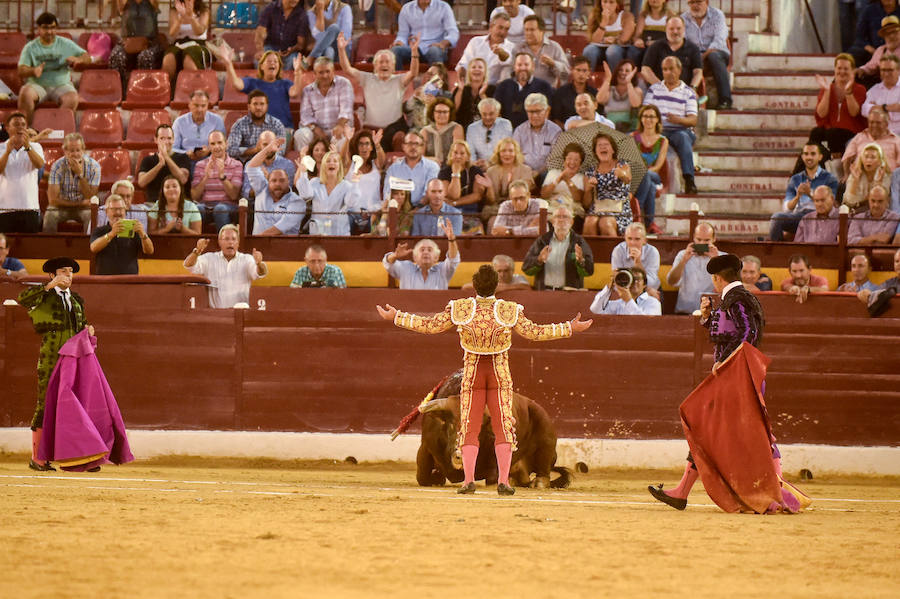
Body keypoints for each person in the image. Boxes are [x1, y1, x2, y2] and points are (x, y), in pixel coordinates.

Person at [376, 264, 593, 495]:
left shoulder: (461, 308)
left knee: (468, 429)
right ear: (496, 286)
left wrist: (397, 316)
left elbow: (430, 326)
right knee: (503, 430)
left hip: (473, 374)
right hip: (499, 375)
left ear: (474, 286)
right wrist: (569, 327)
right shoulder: (509, 310)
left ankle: (468, 480)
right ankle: (503, 481)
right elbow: (535, 332)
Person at [648, 254, 795, 513]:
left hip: (737, 377)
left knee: (722, 429)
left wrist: (726, 362)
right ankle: (683, 491)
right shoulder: (736, 299)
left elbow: (749, 333)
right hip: (737, 376)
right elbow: (733, 331)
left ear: (717, 278)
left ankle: (777, 491)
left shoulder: (738, 299)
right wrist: (708, 318)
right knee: (721, 430)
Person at [17, 256, 92, 470]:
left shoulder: (76, 300)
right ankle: (38, 458)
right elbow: (23, 298)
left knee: (75, 404)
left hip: (73, 358)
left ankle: (79, 456)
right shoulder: (45, 295)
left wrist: (88, 329)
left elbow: (81, 325)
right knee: (46, 404)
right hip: (51, 356)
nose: (68, 275)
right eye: (62, 271)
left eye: (70, 271)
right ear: (52, 275)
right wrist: (49, 286)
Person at [336, 33, 417, 153]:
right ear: (375, 66)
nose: (384, 65)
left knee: (400, 138)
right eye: (381, 62)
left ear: (393, 66)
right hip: (371, 129)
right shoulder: (367, 78)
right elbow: (347, 69)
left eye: (387, 62)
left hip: (394, 129)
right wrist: (341, 49)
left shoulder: (399, 80)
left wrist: (414, 52)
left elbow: (413, 73)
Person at [18, 12, 93, 122]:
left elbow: (88, 58)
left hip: (61, 84)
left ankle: (56, 131)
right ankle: (29, 132)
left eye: (52, 28)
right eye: (45, 28)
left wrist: (79, 60)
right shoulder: (30, 47)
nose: (49, 32)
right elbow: (21, 71)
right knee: (25, 94)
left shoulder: (65, 43)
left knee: (72, 98)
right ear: (38, 29)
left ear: (56, 28)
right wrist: (33, 71)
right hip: (37, 85)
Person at [643, 55, 699, 194]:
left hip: (680, 130)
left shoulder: (688, 93)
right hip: (658, 131)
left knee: (682, 136)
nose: (668, 72)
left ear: (679, 70)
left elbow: (693, 120)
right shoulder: (654, 89)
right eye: (665, 69)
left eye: (671, 69)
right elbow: (645, 111)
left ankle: (689, 179)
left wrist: (678, 120)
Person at [184, 224, 267, 308]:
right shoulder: (209, 258)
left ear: (238, 243)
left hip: (240, 314)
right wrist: (197, 251)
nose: (230, 242)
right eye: (226, 239)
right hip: (215, 314)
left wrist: (259, 264)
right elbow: (189, 265)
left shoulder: (247, 259)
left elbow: (261, 273)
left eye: (234, 239)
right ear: (219, 242)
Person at [769, 143, 839, 240]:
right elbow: (787, 208)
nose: (809, 157)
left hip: (819, 215)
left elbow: (832, 204)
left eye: (813, 154)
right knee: (776, 218)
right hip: (799, 216)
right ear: (802, 157)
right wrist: (797, 197)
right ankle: (776, 253)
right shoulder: (795, 179)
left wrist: (810, 194)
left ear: (820, 157)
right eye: (806, 154)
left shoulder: (830, 178)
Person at [222, 51, 303, 133]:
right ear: (261, 66)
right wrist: (228, 64)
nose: (272, 63)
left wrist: (297, 72)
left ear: (279, 67)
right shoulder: (252, 82)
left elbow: (294, 92)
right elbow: (237, 84)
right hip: (259, 131)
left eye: (275, 61)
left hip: (283, 129)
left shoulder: (285, 83)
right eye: (268, 61)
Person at [522, 205, 594, 290]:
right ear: (552, 221)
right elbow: (526, 269)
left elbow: (589, 271)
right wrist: (539, 260)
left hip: (569, 293)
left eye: (565, 217)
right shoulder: (542, 241)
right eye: (558, 217)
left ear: (571, 222)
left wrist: (581, 261)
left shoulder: (579, 242)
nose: (561, 220)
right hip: (544, 292)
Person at [247, 136, 306, 235]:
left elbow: (279, 229)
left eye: (282, 180)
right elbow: (251, 167)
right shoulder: (262, 189)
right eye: (274, 180)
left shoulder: (298, 202)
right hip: (258, 249)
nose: (278, 184)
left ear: (288, 182)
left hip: (284, 248)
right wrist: (267, 150)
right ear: (268, 182)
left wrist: (255, 241)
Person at [811, 53, 866, 156]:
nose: (842, 72)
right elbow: (821, 114)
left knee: (833, 134)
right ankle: (805, 169)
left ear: (852, 71)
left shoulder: (859, 89)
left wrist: (848, 92)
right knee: (816, 133)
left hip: (851, 132)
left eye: (846, 69)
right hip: (831, 131)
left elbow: (854, 112)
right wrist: (827, 91)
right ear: (835, 69)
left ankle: (836, 166)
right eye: (839, 68)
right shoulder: (828, 87)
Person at [43, 133, 101, 233]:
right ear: (65, 151)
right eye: (71, 151)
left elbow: (91, 199)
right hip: (62, 207)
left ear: (83, 150)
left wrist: (80, 175)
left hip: (84, 209)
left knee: (91, 216)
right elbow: (52, 201)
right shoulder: (57, 166)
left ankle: (89, 247)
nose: (75, 154)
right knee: (50, 214)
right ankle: (50, 247)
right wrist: (79, 203)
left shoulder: (94, 166)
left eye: (78, 150)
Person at [296, 57, 354, 150]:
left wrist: (340, 125)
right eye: (321, 72)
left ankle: (339, 164)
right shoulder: (307, 90)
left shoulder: (344, 83)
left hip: (338, 126)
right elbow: (305, 117)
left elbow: (346, 110)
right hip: (316, 129)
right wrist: (315, 129)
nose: (325, 75)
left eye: (328, 71)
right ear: (314, 74)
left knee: (342, 137)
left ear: (333, 71)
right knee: (301, 134)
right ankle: (304, 163)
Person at [295, 148, 358, 235]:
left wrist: (355, 183)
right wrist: (303, 173)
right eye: (328, 161)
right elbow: (305, 195)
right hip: (318, 234)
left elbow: (351, 203)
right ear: (323, 166)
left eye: (335, 161)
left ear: (339, 166)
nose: (331, 163)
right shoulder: (314, 182)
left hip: (339, 233)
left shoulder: (347, 185)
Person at [682, 0, 731, 109]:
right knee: (682, 59)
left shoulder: (717, 15)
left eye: (699, 2)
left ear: (707, 2)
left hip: (716, 52)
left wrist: (702, 57)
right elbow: (683, 42)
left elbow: (719, 40)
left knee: (714, 57)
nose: (695, 6)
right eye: (692, 2)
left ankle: (725, 100)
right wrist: (695, 56)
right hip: (694, 54)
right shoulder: (684, 18)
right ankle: (686, 100)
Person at [0, 111, 44, 233]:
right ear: (8, 128)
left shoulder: (35, 147)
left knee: (31, 249)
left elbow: (39, 164)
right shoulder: (1, 148)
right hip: (4, 210)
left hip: (29, 208)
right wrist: (7, 152)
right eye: (16, 124)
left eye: (23, 124)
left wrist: (27, 147)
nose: (20, 127)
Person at [191, 130, 243, 231]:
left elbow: (234, 195)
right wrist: (206, 177)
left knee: (220, 209)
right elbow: (195, 196)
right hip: (206, 205)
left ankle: (225, 243)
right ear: (209, 146)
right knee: (196, 209)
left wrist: (222, 176)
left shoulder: (236, 165)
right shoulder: (200, 165)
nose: (216, 147)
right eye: (213, 144)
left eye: (219, 143)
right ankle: (197, 244)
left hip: (228, 206)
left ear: (226, 144)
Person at [89, 194, 154, 274]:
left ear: (125, 211)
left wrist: (142, 233)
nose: (118, 212)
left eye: (121, 209)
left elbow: (149, 251)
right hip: (105, 281)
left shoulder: (134, 230)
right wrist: (112, 234)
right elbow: (93, 248)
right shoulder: (99, 231)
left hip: (130, 281)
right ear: (107, 211)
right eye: (114, 209)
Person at [584, 131, 633, 236]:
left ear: (613, 150)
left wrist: (622, 174)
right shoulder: (590, 171)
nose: (603, 147)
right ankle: (591, 252)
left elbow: (628, 179)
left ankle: (614, 252)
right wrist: (588, 189)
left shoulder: (622, 165)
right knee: (589, 222)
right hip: (598, 208)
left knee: (605, 223)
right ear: (595, 151)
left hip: (619, 210)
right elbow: (586, 203)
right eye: (599, 145)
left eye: (606, 145)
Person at [382, 224, 460, 290]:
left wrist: (451, 240)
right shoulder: (406, 268)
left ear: (436, 257)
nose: (425, 252)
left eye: (430, 250)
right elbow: (388, 263)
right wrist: (395, 256)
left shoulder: (443, 270)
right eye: (422, 250)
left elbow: (453, 260)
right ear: (415, 257)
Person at [108, 1, 164, 89]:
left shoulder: (152, 2)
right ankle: (120, 90)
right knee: (116, 56)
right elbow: (120, 8)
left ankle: (144, 89)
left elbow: (156, 5)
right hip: (128, 42)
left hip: (149, 42)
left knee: (145, 57)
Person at [667, 221, 718, 313]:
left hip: (711, 312)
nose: (702, 243)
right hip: (684, 311)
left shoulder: (722, 257)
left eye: (706, 240)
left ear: (714, 239)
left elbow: (727, 286)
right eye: (698, 239)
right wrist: (683, 261)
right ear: (694, 238)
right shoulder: (683, 254)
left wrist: (717, 261)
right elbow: (671, 281)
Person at [640, 15, 703, 91]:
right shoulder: (655, 47)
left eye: (678, 28)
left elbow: (698, 72)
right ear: (666, 29)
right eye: (671, 29)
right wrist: (661, 87)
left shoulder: (693, 48)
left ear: (684, 29)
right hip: (659, 92)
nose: (675, 32)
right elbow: (645, 69)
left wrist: (692, 88)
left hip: (684, 92)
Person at [494, 53, 556, 129]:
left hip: (534, 132)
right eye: (519, 65)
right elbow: (496, 112)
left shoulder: (544, 86)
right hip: (508, 132)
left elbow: (547, 112)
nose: (523, 68)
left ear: (533, 66)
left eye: (526, 65)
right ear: (514, 67)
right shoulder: (503, 86)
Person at [438, 140, 487, 234]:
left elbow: (477, 196)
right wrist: (456, 173)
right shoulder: (445, 171)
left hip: (471, 211)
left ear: (468, 156)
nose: (458, 156)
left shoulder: (475, 171)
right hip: (450, 211)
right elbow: (453, 195)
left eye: (462, 153)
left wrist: (455, 203)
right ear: (451, 155)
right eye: (455, 153)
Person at [226, 90, 289, 163]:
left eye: (262, 104)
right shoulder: (239, 124)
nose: (258, 107)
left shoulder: (277, 124)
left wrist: (264, 155)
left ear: (267, 106)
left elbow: (281, 151)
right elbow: (231, 150)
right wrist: (255, 150)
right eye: (255, 104)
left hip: (271, 163)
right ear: (249, 106)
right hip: (247, 163)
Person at [484, 137, 534, 228]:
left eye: (511, 151)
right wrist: (490, 187)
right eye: (503, 151)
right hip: (496, 210)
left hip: (519, 209)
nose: (507, 154)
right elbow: (491, 201)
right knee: (493, 223)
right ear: (498, 153)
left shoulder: (526, 170)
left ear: (516, 153)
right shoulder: (491, 171)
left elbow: (524, 197)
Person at [631, 104, 667, 231]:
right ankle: (650, 223)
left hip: (654, 174)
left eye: (652, 116)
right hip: (635, 175)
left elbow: (658, 167)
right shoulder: (633, 137)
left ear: (657, 119)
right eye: (645, 116)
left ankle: (637, 209)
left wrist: (644, 171)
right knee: (650, 186)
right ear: (641, 119)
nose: (648, 119)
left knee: (646, 175)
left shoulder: (663, 140)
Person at [391, 0, 459, 67]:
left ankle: (437, 78)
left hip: (436, 47)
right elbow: (403, 34)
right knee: (396, 50)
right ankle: (398, 78)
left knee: (434, 51)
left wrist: (443, 43)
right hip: (414, 48)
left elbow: (453, 32)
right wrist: (399, 42)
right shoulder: (406, 9)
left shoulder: (444, 7)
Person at [137, 124, 192, 206]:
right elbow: (141, 182)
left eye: (169, 138)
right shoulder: (148, 160)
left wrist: (166, 157)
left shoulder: (183, 157)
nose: (166, 142)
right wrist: (159, 165)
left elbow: (183, 179)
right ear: (156, 140)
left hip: (179, 205)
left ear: (173, 139)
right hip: (154, 204)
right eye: (162, 138)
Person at [382, 132, 440, 207]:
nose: (413, 147)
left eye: (416, 144)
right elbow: (387, 193)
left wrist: (416, 211)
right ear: (403, 146)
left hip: (423, 210)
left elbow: (429, 193)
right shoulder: (393, 168)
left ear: (422, 147)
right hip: (398, 209)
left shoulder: (432, 167)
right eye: (409, 143)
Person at [343, 129, 385, 233]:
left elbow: (382, 161)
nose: (364, 148)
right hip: (351, 212)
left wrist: (377, 145)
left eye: (367, 144)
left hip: (373, 212)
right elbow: (342, 160)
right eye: (360, 144)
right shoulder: (349, 165)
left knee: (381, 226)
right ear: (356, 147)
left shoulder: (376, 165)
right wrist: (347, 140)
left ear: (371, 147)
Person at [455, 12, 514, 86]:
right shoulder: (476, 41)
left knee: (507, 70)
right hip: (472, 84)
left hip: (494, 87)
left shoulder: (511, 47)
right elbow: (464, 63)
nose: (503, 32)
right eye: (500, 27)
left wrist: (500, 53)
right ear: (491, 26)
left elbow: (506, 59)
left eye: (506, 29)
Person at [162, 0, 212, 85]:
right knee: (169, 56)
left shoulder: (204, 10)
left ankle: (193, 88)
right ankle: (169, 90)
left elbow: (199, 31)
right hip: (179, 44)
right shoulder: (174, 10)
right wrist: (181, 18)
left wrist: (191, 16)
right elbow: (172, 34)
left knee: (189, 56)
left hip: (198, 44)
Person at [513, 93, 562, 177]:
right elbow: (515, 156)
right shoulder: (519, 131)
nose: (534, 115)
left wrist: (538, 173)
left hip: (546, 173)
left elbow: (556, 159)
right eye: (531, 112)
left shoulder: (555, 131)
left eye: (538, 111)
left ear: (546, 111)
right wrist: (526, 172)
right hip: (524, 172)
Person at [513, 15, 570, 88]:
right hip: (524, 91)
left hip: (547, 91)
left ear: (542, 31)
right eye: (526, 30)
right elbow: (511, 73)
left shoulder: (554, 47)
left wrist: (553, 64)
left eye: (532, 30)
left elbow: (565, 75)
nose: (528, 33)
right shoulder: (518, 48)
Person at [842, 106, 900, 174]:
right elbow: (847, 158)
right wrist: (846, 174)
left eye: (878, 123)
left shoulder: (896, 140)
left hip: (887, 180)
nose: (874, 125)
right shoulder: (859, 137)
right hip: (860, 179)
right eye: (871, 122)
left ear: (886, 124)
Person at [172, 90, 226, 163]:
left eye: (203, 106)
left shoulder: (217, 120)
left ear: (207, 105)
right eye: (196, 105)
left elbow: (223, 145)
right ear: (190, 105)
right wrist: (186, 153)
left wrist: (209, 150)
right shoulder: (179, 122)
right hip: (185, 160)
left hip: (211, 159)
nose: (200, 109)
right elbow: (173, 148)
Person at [584, 0, 638, 72]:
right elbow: (593, 40)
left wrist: (614, 40)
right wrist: (604, 22)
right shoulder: (594, 15)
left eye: (611, 2)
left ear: (617, 4)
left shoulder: (626, 16)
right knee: (589, 50)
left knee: (612, 50)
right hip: (600, 49)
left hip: (620, 49)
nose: (607, 5)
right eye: (605, 2)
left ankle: (614, 80)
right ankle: (588, 79)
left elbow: (624, 39)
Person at [541, 142, 587, 225]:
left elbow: (578, 198)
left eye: (576, 160)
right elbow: (544, 194)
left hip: (572, 210)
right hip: (553, 207)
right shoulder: (553, 173)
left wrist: (568, 181)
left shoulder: (582, 177)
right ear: (564, 160)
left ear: (580, 163)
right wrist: (558, 180)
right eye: (569, 158)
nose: (572, 162)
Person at [255, 0, 312, 66]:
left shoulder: (302, 15)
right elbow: (260, 32)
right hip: (270, 48)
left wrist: (290, 50)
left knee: (293, 62)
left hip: (289, 52)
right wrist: (260, 50)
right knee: (259, 61)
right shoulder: (270, 8)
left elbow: (300, 44)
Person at [610, 222, 661, 293]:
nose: (632, 242)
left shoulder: (652, 252)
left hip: (647, 289)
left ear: (644, 240)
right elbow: (617, 277)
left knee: (652, 294)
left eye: (637, 239)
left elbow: (652, 282)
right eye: (629, 238)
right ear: (625, 238)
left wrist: (638, 262)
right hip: (626, 288)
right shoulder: (618, 250)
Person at [590, 266, 661, 315]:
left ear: (644, 284)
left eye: (638, 279)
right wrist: (609, 287)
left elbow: (645, 322)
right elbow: (596, 310)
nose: (635, 282)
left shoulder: (653, 302)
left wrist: (629, 300)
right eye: (632, 279)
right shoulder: (618, 304)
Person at [550, 56, 599, 127]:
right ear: (572, 70)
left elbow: (598, 116)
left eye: (584, 71)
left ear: (589, 72)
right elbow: (556, 119)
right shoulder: (560, 92)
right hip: (567, 132)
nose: (581, 74)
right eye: (578, 70)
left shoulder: (594, 93)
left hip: (591, 131)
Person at [597, 59, 644, 132]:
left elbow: (635, 104)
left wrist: (628, 82)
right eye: (620, 70)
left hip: (629, 131)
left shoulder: (636, 90)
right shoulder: (609, 89)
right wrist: (608, 79)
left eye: (627, 71)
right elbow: (599, 100)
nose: (623, 73)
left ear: (632, 74)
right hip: (609, 130)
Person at [466, 98, 513, 170]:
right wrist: (476, 164)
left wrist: (491, 164)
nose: (487, 117)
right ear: (480, 113)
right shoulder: (472, 128)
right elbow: (471, 153)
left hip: (500, 166)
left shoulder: (505, 125)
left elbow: (507, 151)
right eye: (484, 114)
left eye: (491, 114)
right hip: (479, 167)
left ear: (497, 113)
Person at [844, 142, 890, 211]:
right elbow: (850, 201)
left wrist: (878, 183)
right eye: (866, 157)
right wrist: (855, 181)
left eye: (873, 157)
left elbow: (878, 202)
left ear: (880, 161)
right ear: (861, 159)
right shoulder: (855, 174)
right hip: (856, 211)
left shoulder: (885, 176)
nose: (868, 160)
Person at [453, 58, 496, 131]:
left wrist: (482, 94)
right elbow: (454, 110)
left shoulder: (492, 89)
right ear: (469, 71)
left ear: (485, 71)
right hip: (462, 129)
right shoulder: (461, 88)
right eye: (473, 67)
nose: (477, 69)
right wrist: (460, 90)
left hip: (485, 129)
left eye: (480, 67)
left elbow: (494, 113)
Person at [862, 54, 900, 135]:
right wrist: (886, 108)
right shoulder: (874, 90)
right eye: (883, 70)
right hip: (878, 134)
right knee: (850, 143)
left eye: (890, 70)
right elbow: (864, 109)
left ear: (898, 70)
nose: (886, 74)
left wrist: (876, 108)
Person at [305, 0, 352, 65]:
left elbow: (346, 37)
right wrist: (320, 12)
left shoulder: (344, 8)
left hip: (342, 49)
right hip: (323, 51)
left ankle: (311, 57)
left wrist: (331, 35)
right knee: (329, 50)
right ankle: (327, 72)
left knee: (334, 28)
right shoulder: (312, 12)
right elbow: (317, 37)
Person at [858, 16, 900, 87]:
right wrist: (861, 70)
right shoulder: (881, 50)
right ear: (884, 36)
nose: (891, 36)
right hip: (885, 87)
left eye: (894, 32)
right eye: (888, 33)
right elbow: (870, 67)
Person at [422, 97, 465, 165]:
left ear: (450, 113)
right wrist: (431, 160)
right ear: (433, 113)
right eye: (438, 112)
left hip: (450, 166)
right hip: (429, 166)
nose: (442, 115)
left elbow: (458, 155)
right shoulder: (425, 131)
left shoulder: (457, 128)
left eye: (445, 112)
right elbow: (419, 156)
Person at [459, 254, 531, 291]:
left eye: (506, 271)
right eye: (499, 271)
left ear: (512, 270)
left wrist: (502, 288)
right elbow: (465, 287)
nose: (502, 275)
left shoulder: (518, 278)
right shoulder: (488, 279)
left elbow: (528, 288)